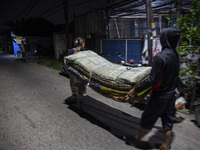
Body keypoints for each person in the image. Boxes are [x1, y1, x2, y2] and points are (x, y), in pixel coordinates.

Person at [125, 27, 180, 150]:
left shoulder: (160, 57)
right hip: (171, 94)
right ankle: (166, 144)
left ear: (164, 39)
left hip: (160, 95)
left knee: (147, 117)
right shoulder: (176, 55)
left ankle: (137, 139)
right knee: (167, 119)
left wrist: (135, 90)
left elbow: (152, 79)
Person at [68, 37, 87, 112]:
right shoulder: (74, 51)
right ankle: (79, 107)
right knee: (78, 89)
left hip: (78, 74)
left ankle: (79, 103)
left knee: (79, 89)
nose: (84, 44)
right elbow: (67, 60)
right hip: (76, 74)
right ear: (81, 44)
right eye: (84, 43)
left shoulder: (81, 51)